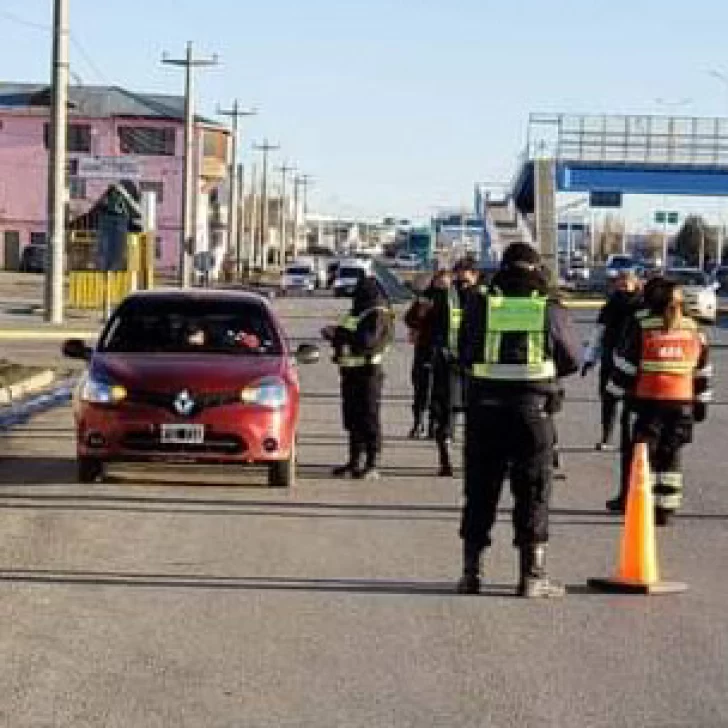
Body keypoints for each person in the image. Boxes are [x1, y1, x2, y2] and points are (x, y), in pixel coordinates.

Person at [457, 243, 581, 597]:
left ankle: (471, 574)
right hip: (533, 411)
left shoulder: (481, 304)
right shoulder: (548, 306)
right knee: (533, 490)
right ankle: (531, 576)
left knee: (480, 491)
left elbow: (463, 352)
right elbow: (571, 356)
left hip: (484, 410)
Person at [607, 279, 711, 526]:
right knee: (671, 454)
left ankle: (643, 503)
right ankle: (666, 508)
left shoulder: (643, 327)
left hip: (648, 404)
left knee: (645, 456)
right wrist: (701, 404)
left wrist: (613, 391)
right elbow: (703, 371)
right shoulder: (693, 329)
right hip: (681, 404)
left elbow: (626, 365)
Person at [322, 276, 395, 480]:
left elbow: (367, 341)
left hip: (368, 372)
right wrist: (336, 336)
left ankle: (372, 463)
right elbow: (349, 334)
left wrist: (339, 335)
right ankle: (355, 461)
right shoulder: (358, 311)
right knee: (353, 418)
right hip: (350, 372)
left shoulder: (377, 312)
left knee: (369, 418)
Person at [582, 269, 643, 452]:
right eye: (620, 284)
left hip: (632, 362)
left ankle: (627, 440)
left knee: (630, 404)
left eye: (627, 284)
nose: (623, 287)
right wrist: (589, 359)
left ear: (635, 284)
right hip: (609, 359)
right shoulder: (610, 306)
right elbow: (598, 334)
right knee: (608, 400)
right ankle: (606, 437)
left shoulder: (641, 306)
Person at [428, 258, 478, 477]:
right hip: (459, 364)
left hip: (460, 364)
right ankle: (448, 458)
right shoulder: (484, 298)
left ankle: (450, 457)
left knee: (454, 415)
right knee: (452, 415)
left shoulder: (449, 296)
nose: (461, 279)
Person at [403, 271, 444, 439]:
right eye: (438, 282)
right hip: (425, 348)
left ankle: (434, 425)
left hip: (443, 351)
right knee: (421, 387)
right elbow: (409, 318)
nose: (441, 285)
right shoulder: (425, 298)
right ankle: (418, 423)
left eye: (444, 283)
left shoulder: (454, 300)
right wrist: (420, 313)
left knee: (439, 390)